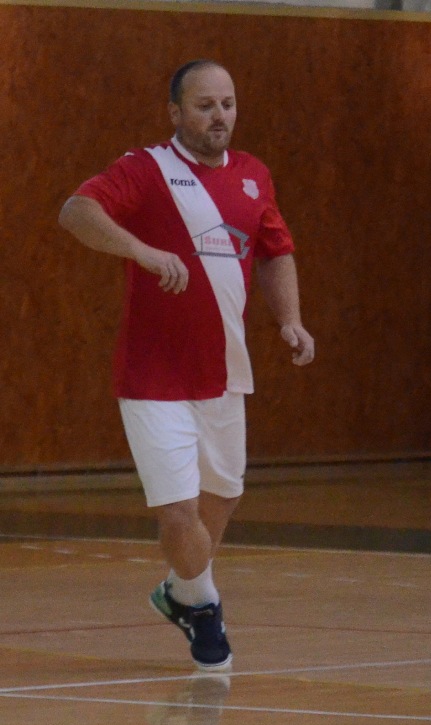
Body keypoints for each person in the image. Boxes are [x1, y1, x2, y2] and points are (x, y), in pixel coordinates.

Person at [58, 60, 315, 671]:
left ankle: (183, 593)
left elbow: (276, 252)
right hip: (152, 378)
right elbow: (76, 211)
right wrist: (141, 251)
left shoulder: (253, 176)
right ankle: (203, 602)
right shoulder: (145, 169)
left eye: (227, 103)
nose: (219, 116)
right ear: (176, 112)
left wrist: (290, 319)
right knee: (178, 513)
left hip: (225, 373)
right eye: (204, 105)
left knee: (220, 498)